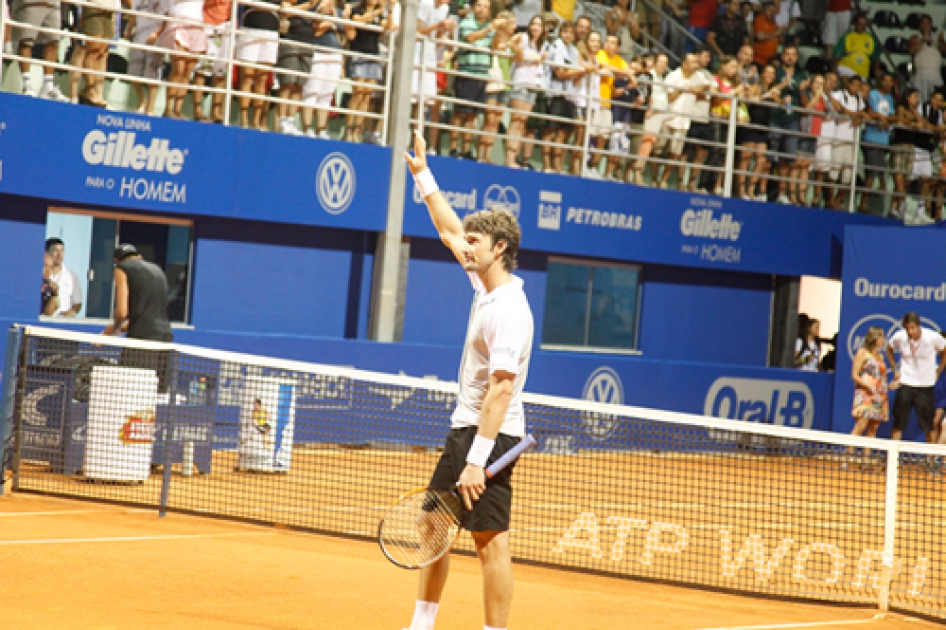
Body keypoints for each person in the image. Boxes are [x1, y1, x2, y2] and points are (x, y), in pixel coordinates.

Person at [402, 129, 534, 630]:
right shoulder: (483, 281)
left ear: (499, 248)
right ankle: (422, 624)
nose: (465, 247)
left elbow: (501, 390)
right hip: (466, 427)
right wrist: (424, 176)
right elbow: (448, 229)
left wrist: (479, 462)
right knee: (434, 523)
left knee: (488, 539)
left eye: (475, 242)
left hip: (493, 435)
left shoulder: (510, 312)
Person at [103, 244, 174, 393]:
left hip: (142, 339)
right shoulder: (157, 270)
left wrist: (112, 328)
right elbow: (152, 309)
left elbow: (122, 312)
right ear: (138, 256)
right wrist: (127, 326)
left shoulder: (121, 269)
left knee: (130, 390)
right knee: (155, 393)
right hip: (165, 337)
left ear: (117, 260)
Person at [449, 0, 505, 159]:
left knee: (472, 115)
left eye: (486, 7)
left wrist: (500, 30)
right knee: (460, 112)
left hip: (482, 75)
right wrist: (491, 27)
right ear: (474, 7)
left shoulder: (490, 28)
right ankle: (453, 148)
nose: (482, 9)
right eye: (479, 6)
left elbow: (494, 47)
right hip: (466, 73)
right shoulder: (467, 22)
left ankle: (466, 149)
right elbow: (471, 38)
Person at [885, 312, 946, 443]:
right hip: (905, 384)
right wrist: (894, 369)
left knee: (929, 426)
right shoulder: (899, 336)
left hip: (925, 386)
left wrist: (938, 371)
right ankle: (892, 459)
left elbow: (944, 351)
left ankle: (930, 460)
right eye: (907, 328)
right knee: (898, 423)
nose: (910, 331)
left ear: (919, 326)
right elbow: (889, 348)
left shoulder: (932, 337)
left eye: (912, 328)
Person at [301, 0, 349, 138]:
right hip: (318, 52)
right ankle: (307, 128)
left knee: (327, 95)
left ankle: (321, 129)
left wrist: (343, 19)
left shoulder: (340, 13)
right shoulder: (316, 9)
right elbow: (316, 32)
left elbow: (346, 38)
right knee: (312, 91)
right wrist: (330, 18)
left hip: (335, 55)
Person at [505, 14, 548, 169]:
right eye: (533, 24)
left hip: (533, 85)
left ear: (543, 29)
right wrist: (518, 53)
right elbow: (508, 43)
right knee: (516, 120)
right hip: (519, 81)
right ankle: (509, 158)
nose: (535, 27)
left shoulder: (542, 45)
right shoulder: (522, 37)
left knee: (523, 122)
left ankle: (514, 157)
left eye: (539, 25)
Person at [846, 326, 891, 468]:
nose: (883, 340)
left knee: (873, 428)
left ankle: (865, 462)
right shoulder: (862, 353)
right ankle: (846, 460)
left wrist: (888, 387)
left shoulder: (880, 356)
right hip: (865, 394)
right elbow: (854, 375)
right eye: (882, 337)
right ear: (875, 338)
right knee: (861, 425)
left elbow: (881, 377)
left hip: (879, 396)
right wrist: (867, 386)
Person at [542, 19, 583, 174]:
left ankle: (558, 166)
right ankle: (546, 164)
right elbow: (559, 73)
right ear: (560, 33)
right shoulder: (556, 46)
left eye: (570, 33)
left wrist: (579, 71)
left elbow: (576, 76)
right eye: (564, 32)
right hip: (555, 93)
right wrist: (580, 70)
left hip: (570, 96)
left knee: (563, 133)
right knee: (551, 130)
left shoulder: (574, 50)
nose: (567, 35)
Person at [275, 0, 321, 135]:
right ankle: (282, 121)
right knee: (287, 83)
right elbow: (285, 12)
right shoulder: (298, 2)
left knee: (299, 86)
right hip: (290, 42)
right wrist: (308, 5)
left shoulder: (315, 4)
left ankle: (290, 120)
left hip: (307, 44)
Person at [771, 45, 809, 205]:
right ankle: (761, 192)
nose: (790, 57)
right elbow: (768, 90)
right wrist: (779, 100)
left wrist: (801, 91)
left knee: (789, 159)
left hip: (792, 119)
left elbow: (805, 103)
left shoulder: (801, 76)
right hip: (775, 117)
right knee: (770, 158)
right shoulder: (776, 72)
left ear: (797, 58)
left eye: (793, 54)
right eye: (787, 54)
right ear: (782, 56)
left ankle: (784, 194)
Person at [235, 0, 281, 130]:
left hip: (271, 30)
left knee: (262, 80)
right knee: (247, 77)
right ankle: (243, 120)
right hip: (250, 27)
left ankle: (256, 120)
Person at [11, 0, 70, 100]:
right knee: (26, 40)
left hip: (53, 4)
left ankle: (48, 86)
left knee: (53, 41)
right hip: (30, 3)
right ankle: (27, 84)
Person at [738, 63, 779, 201]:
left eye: (772, 73)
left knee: (761, 161)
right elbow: (750, 99)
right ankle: (741, 190)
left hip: (763, 128)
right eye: (767, 72)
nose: (769, 75)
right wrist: (766, 95)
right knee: (745, 159)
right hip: (751, 126)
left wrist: (779, 98)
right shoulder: (756, 86)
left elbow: (780, 104)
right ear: (762, 74)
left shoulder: (773, 90)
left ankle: (751, 189)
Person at [859, 72, 897, 214]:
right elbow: (868, 110)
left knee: (881, 175)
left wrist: (888, 120)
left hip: (883, 139)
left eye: (891, 81)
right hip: (871, 138)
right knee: (871, 173)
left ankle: (879, 207)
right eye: (886, 81)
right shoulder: (873, 94)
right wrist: (881, 117)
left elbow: (892, 114)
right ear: (881, 82)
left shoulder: (889, 98)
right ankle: (862, 204)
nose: (889, 84)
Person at [125, 0, 170, 115]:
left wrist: (157, 34)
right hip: (139, 37)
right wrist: (129, 29)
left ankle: (150, 108)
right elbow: (134, 13)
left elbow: (167, 16)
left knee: (153, 75)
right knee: (133, 73)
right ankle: (142, 101)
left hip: (156, 40)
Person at [633, 52, 670, 186]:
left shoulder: (662, 78)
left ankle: (640, 174)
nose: (664, 65)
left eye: (666, 63)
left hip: (658, 119)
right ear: (654, 62)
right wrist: (650, 110)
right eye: (661, 62)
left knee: (649, 148)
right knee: (643, 146)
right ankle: (636, 174)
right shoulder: (651, 76)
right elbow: (649, 96)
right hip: (650, 117)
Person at [833, 11, 879, 81]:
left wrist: (876, 69)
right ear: (855, 24)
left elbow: (876, 57)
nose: (862, 26)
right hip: (847, 69)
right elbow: (836, 55)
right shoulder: (847, 36)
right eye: (860, 24)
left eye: (864, 24)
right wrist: (835, 70)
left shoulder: (871, 39)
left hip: (863, 73)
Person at [44, 238, 82, 317]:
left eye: (62, 250)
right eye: (55, 250)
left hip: (63, 320)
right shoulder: (42, 274)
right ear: (47, 253)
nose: (59, 254)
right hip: (44, 318)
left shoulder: (71, 275)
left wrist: (72, 312)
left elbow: (77, 302)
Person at [910, 15, 942, 103]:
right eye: (923, 23)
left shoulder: (938, 38)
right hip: (920, 76)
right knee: (919, 102)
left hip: (935, 76)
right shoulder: (915, 37)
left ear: (931, 25)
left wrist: (939, 41)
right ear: (920, 25)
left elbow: (943, 49)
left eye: (927, 23)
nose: (925, 25)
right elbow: (911, 50)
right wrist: (923, 39)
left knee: (936, 101)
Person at [752, 1, 782, 67]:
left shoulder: (774, 23)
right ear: (763, 10)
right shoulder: (759, 19)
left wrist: (780, 33)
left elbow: (780, 40)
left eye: (773, 11)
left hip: (771, 60)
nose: (772, 13)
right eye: (769, 10)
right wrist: (776, 33)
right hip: (759, 60)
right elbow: (760, 37)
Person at [41, 252, 59, 316]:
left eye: (50, 267)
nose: (48, 270)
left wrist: (54, 294)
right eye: (45, 266)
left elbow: (48, 313)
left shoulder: (50, 287)